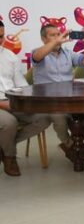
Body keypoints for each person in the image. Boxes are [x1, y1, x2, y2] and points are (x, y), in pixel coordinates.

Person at [32, 23, 84, 153]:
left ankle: (77, 139)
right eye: (53, 35)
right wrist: (55, 41)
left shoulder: (68, 53)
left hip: (69, 98)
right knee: (58, 117)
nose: (58, 37)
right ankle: (69, 144)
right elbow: (37, 56)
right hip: (48, 101)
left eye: (58, 34)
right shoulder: (38, 52)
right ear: (44, 39)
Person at [0, 21, 50, 176]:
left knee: (44, 117)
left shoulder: (10, 56)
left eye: (1, 36)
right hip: (4, 104)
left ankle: (5, 146)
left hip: (12, 101)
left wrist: (27, 99)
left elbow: (21, 84)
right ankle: (9, 157)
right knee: (9, 123)